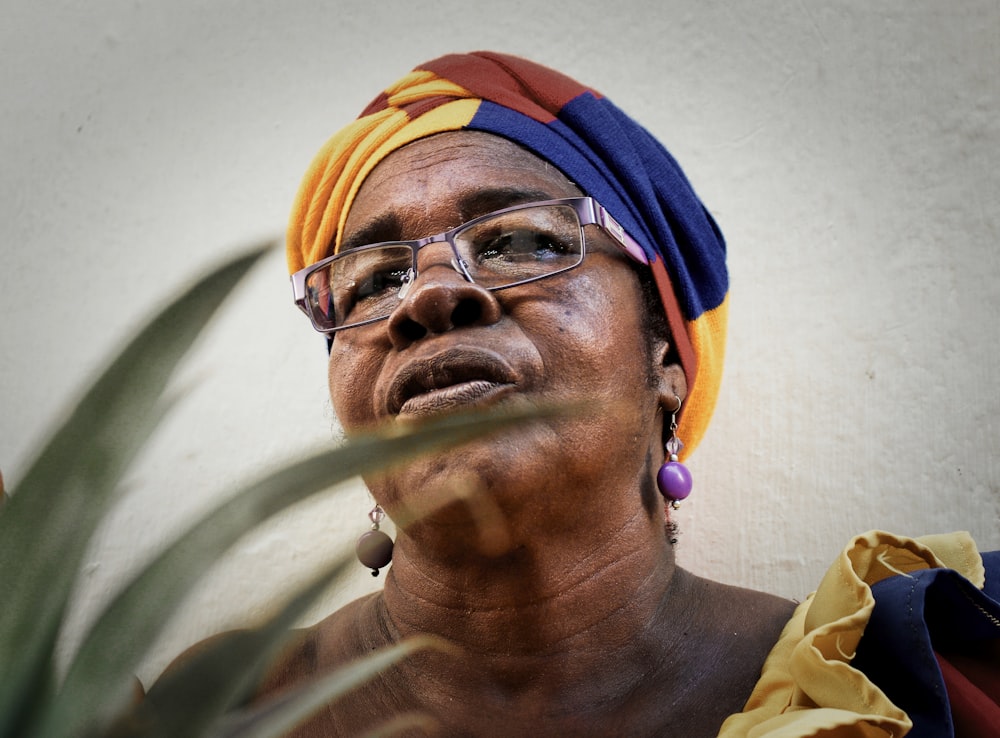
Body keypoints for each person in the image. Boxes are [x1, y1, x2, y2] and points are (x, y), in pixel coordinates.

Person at [268, 52, 999, 737]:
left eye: (519, 242)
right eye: (373, 279)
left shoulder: (897, 686)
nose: (425, 297)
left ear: (668, 358)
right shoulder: (229, 708)